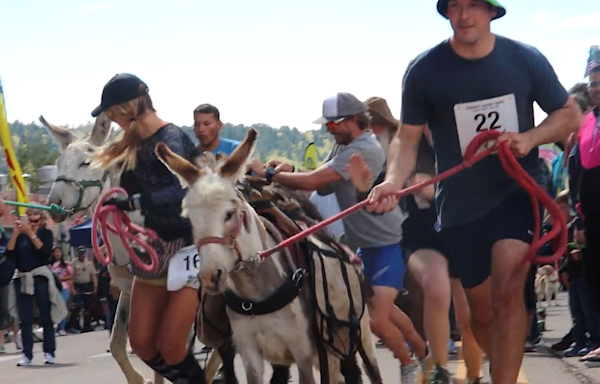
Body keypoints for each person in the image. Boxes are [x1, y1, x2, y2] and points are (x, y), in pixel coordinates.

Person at [366, 1, 581, 382]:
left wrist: (529, 138)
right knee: (480, 314)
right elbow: (408, 138)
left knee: (508, 288)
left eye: (473, 6)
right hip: (460, 204)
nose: (464, 15)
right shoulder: (424, 71)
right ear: (447, 13)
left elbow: (568, 113)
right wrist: (392, 182)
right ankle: (506, 371)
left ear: (492, 11)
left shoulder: (525, 59)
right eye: (456, 7)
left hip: (517, 190)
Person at [251, 92, 426, 383]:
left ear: (356, 121)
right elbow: (322, 186)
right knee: (387, 313)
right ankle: (426, 356)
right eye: (327, 125)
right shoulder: (343, 144)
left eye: (333, 125)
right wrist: (290, 169)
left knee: (377, 320)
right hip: (363, 243)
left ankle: (408, 365)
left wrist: (269, 175)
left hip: (388, 240)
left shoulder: (365, 148)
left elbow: (315, 182)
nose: (328, 130)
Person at [90, 73, 205, 383]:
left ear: (128, 106)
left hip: (189, 246)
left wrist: (134, 202)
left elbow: (183, 189)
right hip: (155, 247)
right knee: (140, 343)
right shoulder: (131, 146)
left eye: (112, 110)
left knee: (171, 347)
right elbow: (119, 194)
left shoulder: (172, 137)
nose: (111, 118)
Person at [6, 208, 63, 366]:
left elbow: (45, 253)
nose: (31, 221)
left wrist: (31, 234)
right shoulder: (21, 235)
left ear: (41, 219)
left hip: (40, 278)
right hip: (23, 278)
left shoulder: (46, 234)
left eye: (35, 219)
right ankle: (27, 354)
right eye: (29, 218)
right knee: (25, 318)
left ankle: (49, 352)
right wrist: (17, 232)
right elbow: (9, 253)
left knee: (46, 316)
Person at [70, 246, 97, 333]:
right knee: (78, 307)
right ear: (77, 253)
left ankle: (87, 325)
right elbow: (70, 277)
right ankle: (77, 326)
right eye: (80, 253)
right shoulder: (73, 263)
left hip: (87, 286)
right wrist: (73, 289)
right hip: (78, 286)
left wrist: (95, 287)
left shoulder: (89, 263)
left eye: (83, 253)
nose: (81, 255)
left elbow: (93, 275)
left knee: (88, 307)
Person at [50, 246, 72, 336]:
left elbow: (71, 275)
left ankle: (61, 328)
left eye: (59, 251)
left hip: (64, 288)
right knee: (54, 307)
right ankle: (55, 327)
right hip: (53, 288)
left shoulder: (66, 264)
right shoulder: (50, 265)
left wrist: (62, 278)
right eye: (55, 252)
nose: (57, 254)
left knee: (62, 306)